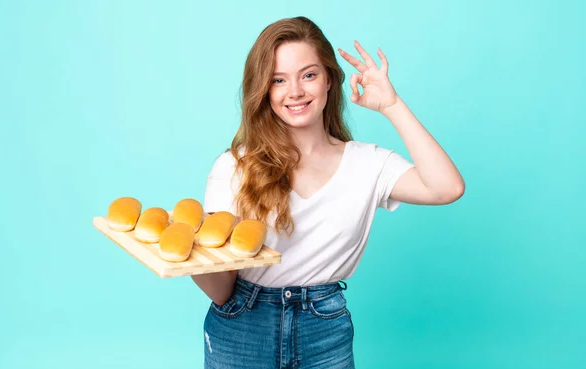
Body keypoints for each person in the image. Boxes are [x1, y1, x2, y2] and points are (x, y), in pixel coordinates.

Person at [191, 16, 465, 369]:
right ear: (263, 89)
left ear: (330, 80)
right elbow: (220, 290)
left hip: (323, 327)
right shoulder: (234, 166)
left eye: (308, 75)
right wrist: (194, 256)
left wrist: (392, 106)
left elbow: (447, 188)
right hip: (243, 324)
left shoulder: (368, 164)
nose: (295, 92)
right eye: (278, 80)